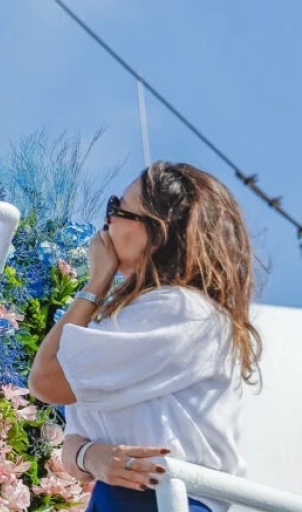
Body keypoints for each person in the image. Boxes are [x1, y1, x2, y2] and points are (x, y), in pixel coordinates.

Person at [28, 162, 262, 512]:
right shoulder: (138, 322)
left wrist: (96, 283)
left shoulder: (182, 311)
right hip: (122, 499)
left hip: (162, 500)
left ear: (155, 232)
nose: (107, 222)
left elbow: (46, 379)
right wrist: (92, 455)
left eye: (116, 209)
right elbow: (75, 438)